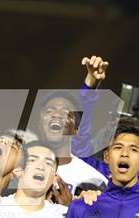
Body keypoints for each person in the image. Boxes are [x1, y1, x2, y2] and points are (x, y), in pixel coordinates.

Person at [36, 55, 110, 196]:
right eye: (50, 111)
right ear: (40, 124)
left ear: (76, 129)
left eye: (65, 112)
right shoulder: (19, 168)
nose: (56, 115)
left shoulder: (93, 180)